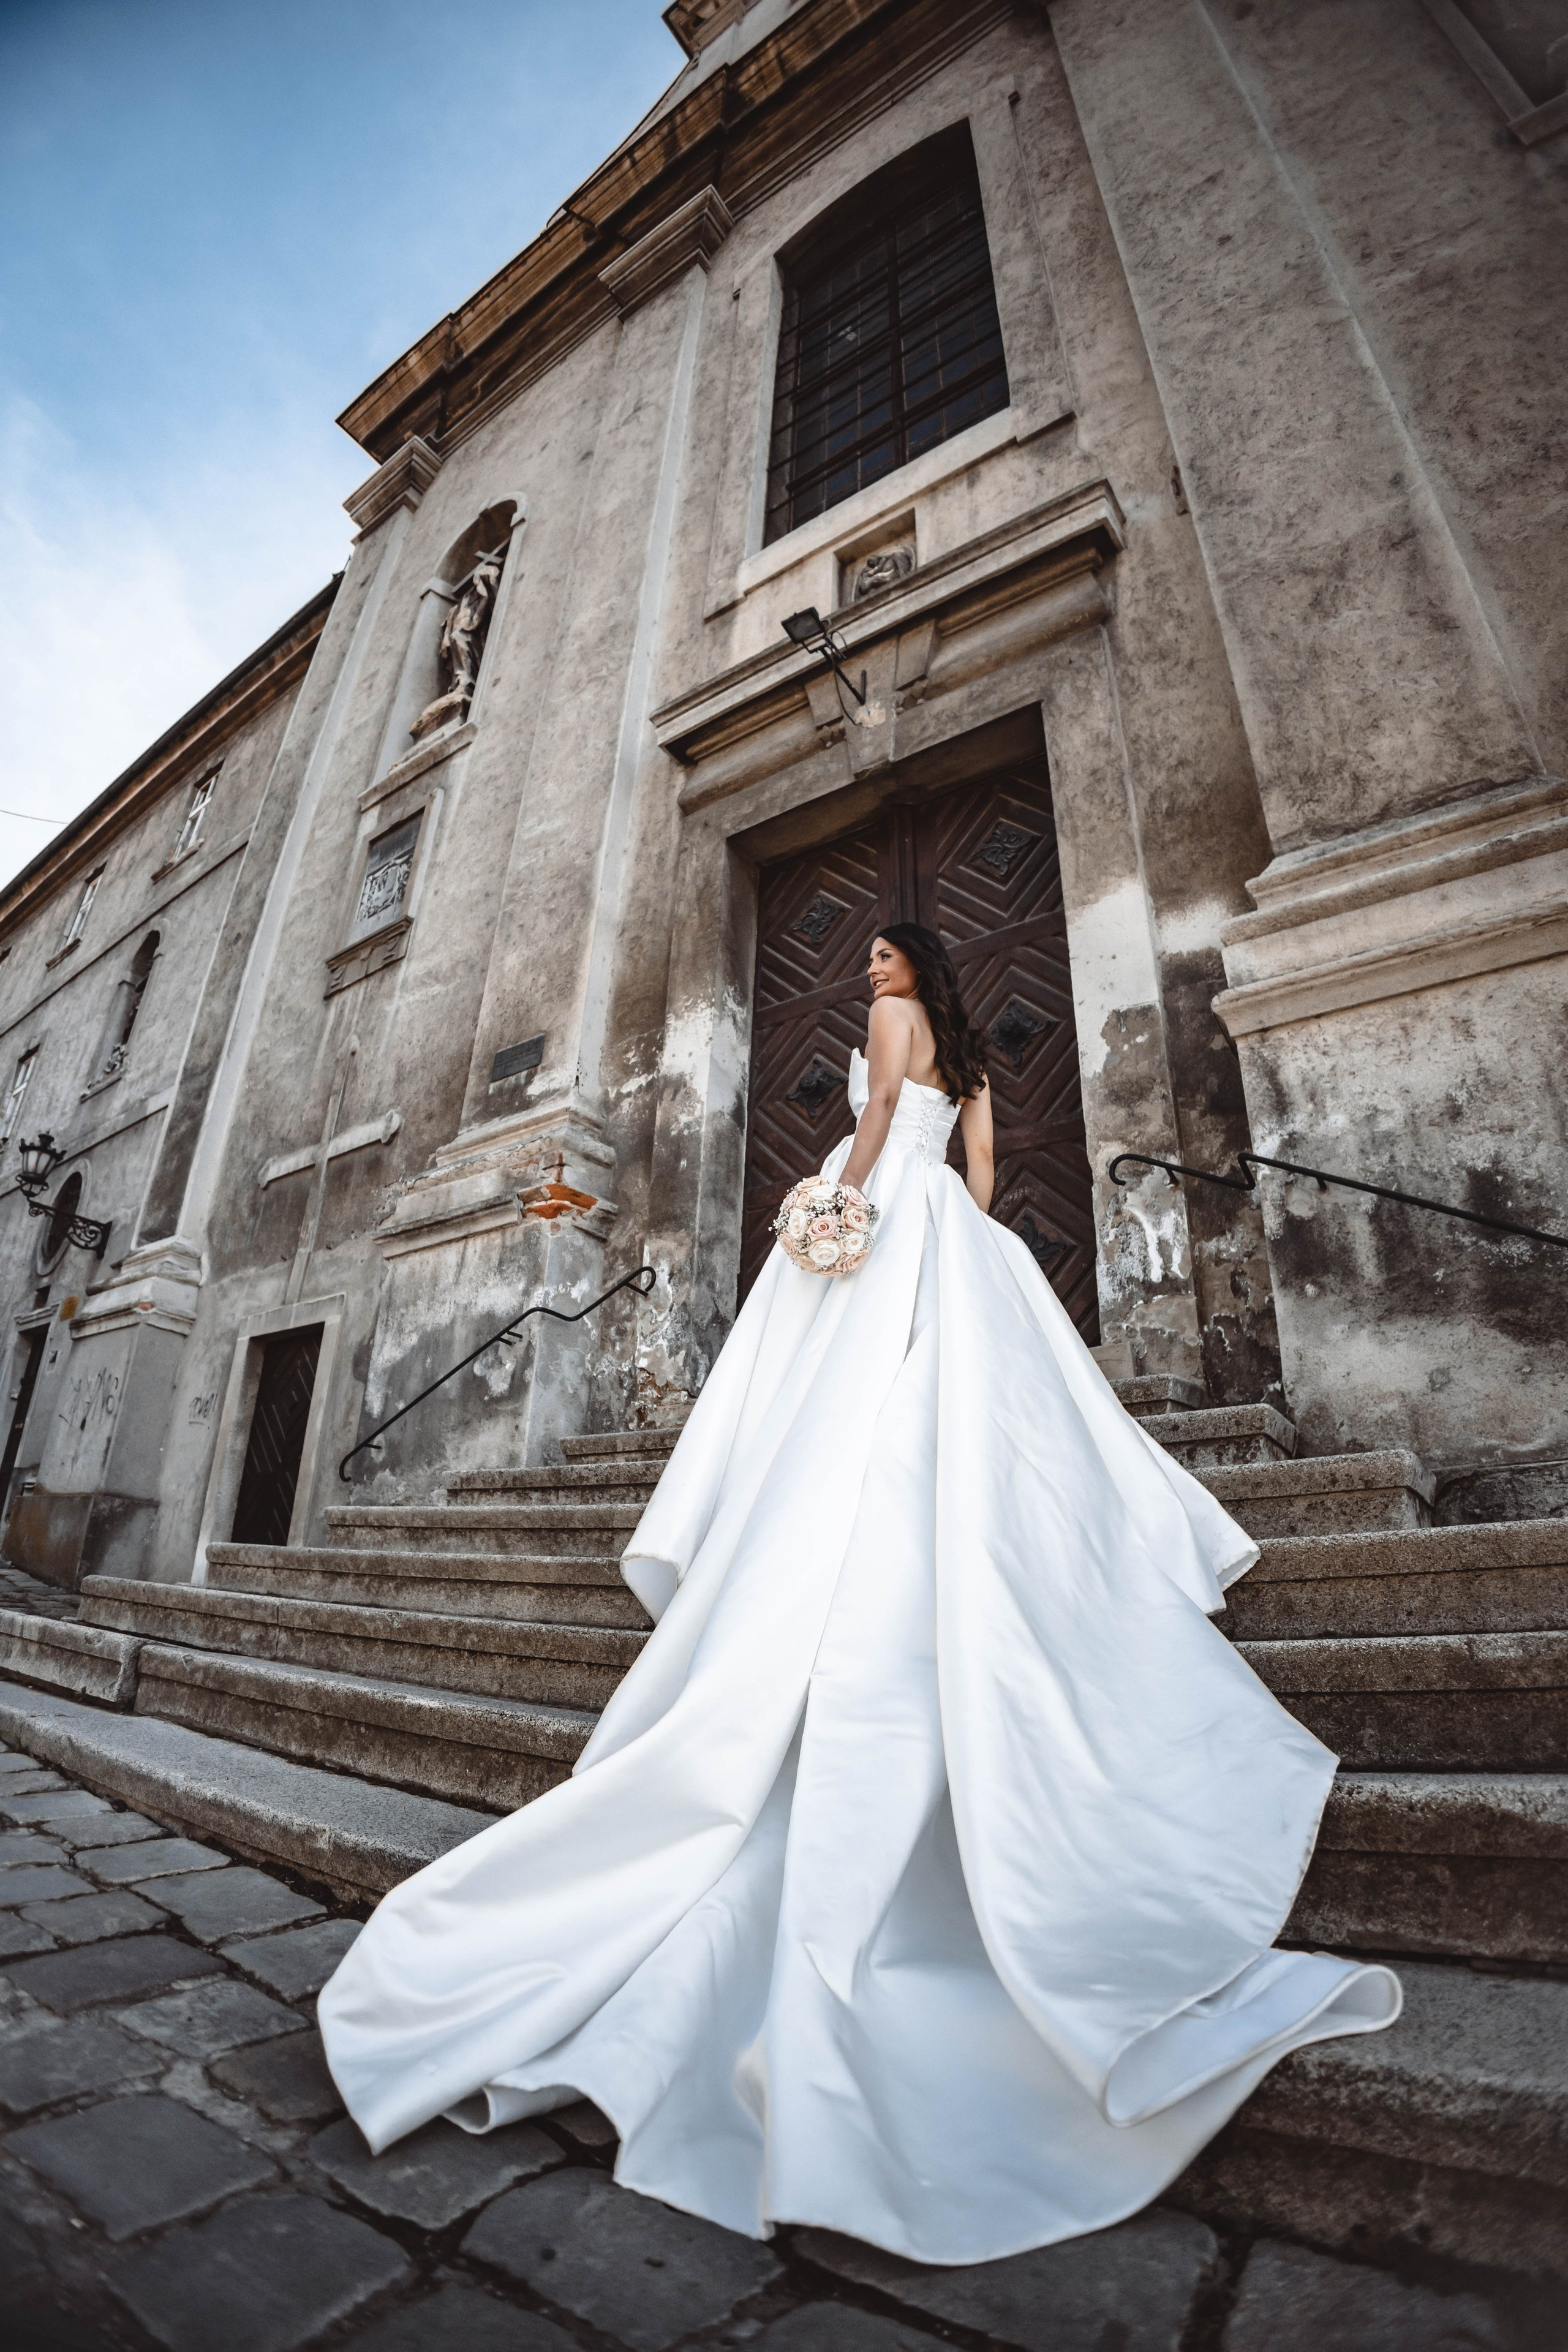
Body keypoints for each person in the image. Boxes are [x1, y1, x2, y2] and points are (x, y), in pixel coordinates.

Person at [318, 922, 1400, 2264]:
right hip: (955, 1232)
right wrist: (950, 1228)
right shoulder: (986, 1062)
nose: (869, 973)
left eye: (881, 959)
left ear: (904, 976)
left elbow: (883, 1113)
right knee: (955, 1421)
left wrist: (844, 1207)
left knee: (834, 1416)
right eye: (871, 960)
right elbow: (989, 1178)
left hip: (888, 1204)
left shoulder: (893, 1043)